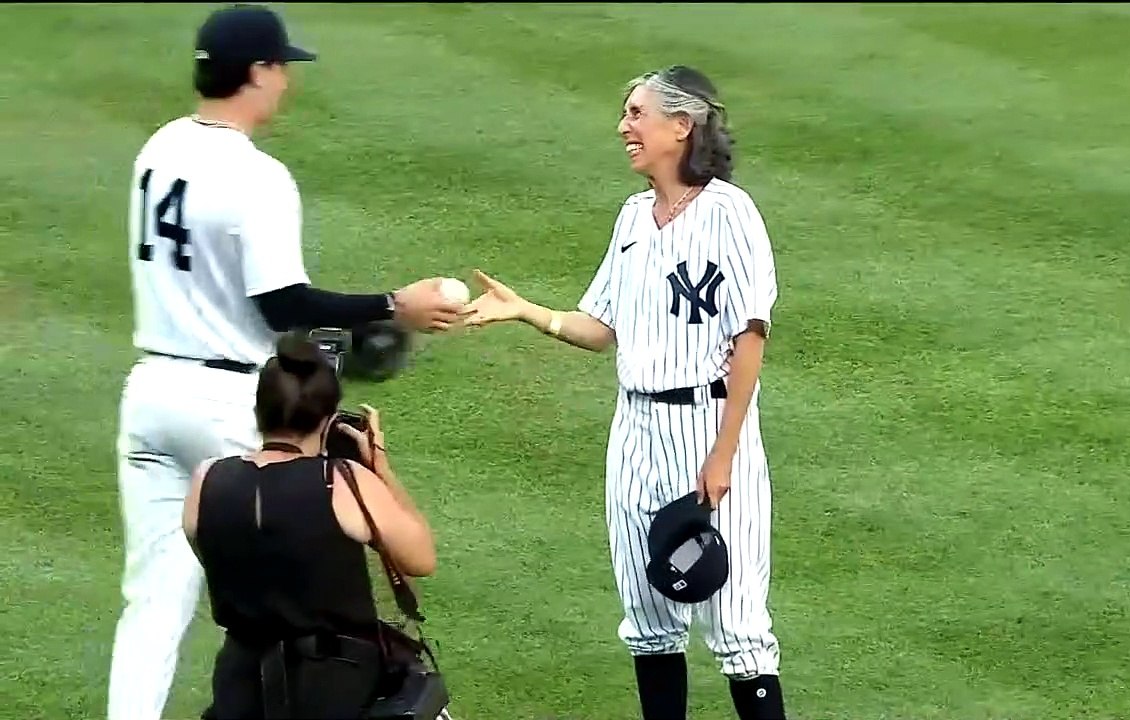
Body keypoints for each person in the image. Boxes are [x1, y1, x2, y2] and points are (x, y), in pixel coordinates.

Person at [108, 5, 467, 720]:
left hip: (150, 395)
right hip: (227, 407)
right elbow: (285, 306)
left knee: (151, 603)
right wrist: (396, 304)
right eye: (282, 69)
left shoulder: (158, 147)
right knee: (320, 591)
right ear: (260, 72)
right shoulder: (256, 175)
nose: (286, 84)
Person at [463, 65, 786, 720]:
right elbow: (601, 327)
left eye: (636, 113)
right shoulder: (634, 217)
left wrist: (723, 455)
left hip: (705, 427)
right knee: (648, 616)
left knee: (736, 628)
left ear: (681, 126)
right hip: (634, 433)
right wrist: (530, 311)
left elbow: (750, 336)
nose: (623, 127)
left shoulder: (730, 213)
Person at [182, 334, 448, 719]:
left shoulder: (207, 481)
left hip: (241, 686)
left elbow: (218, 557)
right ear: (328, 420)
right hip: (333, 687)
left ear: (259, 411)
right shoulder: (342, 481)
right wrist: (381, 469)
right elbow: (420, 558)